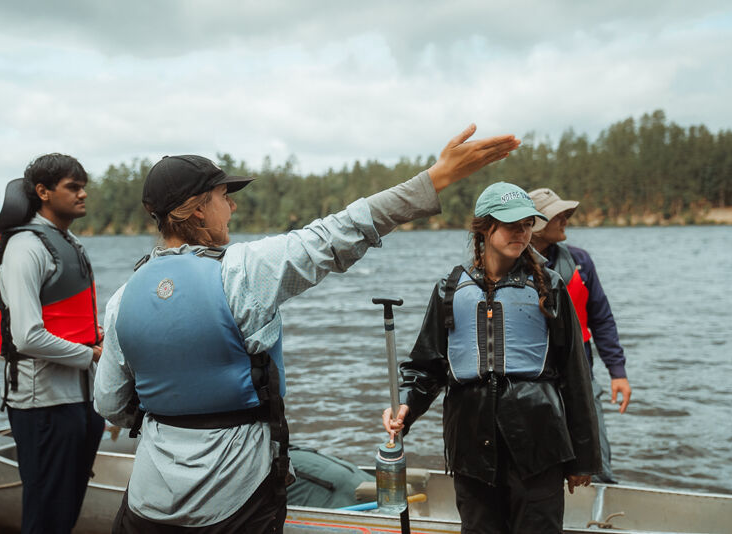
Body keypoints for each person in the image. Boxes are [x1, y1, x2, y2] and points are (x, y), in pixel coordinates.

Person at [93, 124, 521, 533]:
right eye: (226, 195)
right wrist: (436, 177)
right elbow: (340, 232)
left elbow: (110, 403)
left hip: (149, 501)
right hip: (234, 499)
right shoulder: (244, 270)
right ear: (200, 206)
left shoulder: (121, 299)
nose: (233, 206)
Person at [383, 182, 600, 533]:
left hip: (539, 443)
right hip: (470, 447)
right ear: (485, 228)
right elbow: (426, 367)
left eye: (528, 223)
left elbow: (576, 376)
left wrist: (585, 458)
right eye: (512, 223)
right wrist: (405, 406)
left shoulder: (551, 286)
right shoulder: (449, 289)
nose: (523, 231)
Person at [0, 154, 105, 534]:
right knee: (46, 517)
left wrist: (100, 338)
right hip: (45, 406)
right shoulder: (26, 247)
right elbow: (27, 336)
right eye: (73, 187)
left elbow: (69, 319)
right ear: (43, 192)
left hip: (80, 401)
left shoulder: (65, 242)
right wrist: (90, 355)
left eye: (84, 185)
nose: (83, 194)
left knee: (65, 514)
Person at [528, 187, 631, 484]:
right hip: (534, 385)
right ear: (534, 224)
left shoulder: (581, 261)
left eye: (566, 214)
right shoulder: (514, 266)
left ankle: (599, 521)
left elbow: (601, 318)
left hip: (583, 380)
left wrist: (618, 372)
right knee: (539, 465)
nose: (566, 219)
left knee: (596, 462)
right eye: (558, 214)